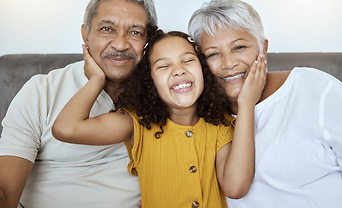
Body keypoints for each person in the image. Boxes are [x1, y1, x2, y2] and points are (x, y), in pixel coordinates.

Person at [52, 30, 267, 207]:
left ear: (203, 71)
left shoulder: (220, 126)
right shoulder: (136, 123)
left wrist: (246, 104)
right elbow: (66, 128)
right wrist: (96, 79)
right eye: (163, 66)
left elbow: (236, 188)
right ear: (150, 81)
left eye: (188, 61)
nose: (178, 71)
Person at [0, 0, 158, 208]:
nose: (121, 44)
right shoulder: (41, 91)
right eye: (107, 29)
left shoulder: (163, 94)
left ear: (148, 41)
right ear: (86, 34)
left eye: (135, 32)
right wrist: (96, 81)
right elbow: (5, 192)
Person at [188, 0, 342, 208]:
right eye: (213, 54)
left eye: (239, 48)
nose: (228, 63)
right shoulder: (200, 116)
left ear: (263, 48)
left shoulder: (313, 87)